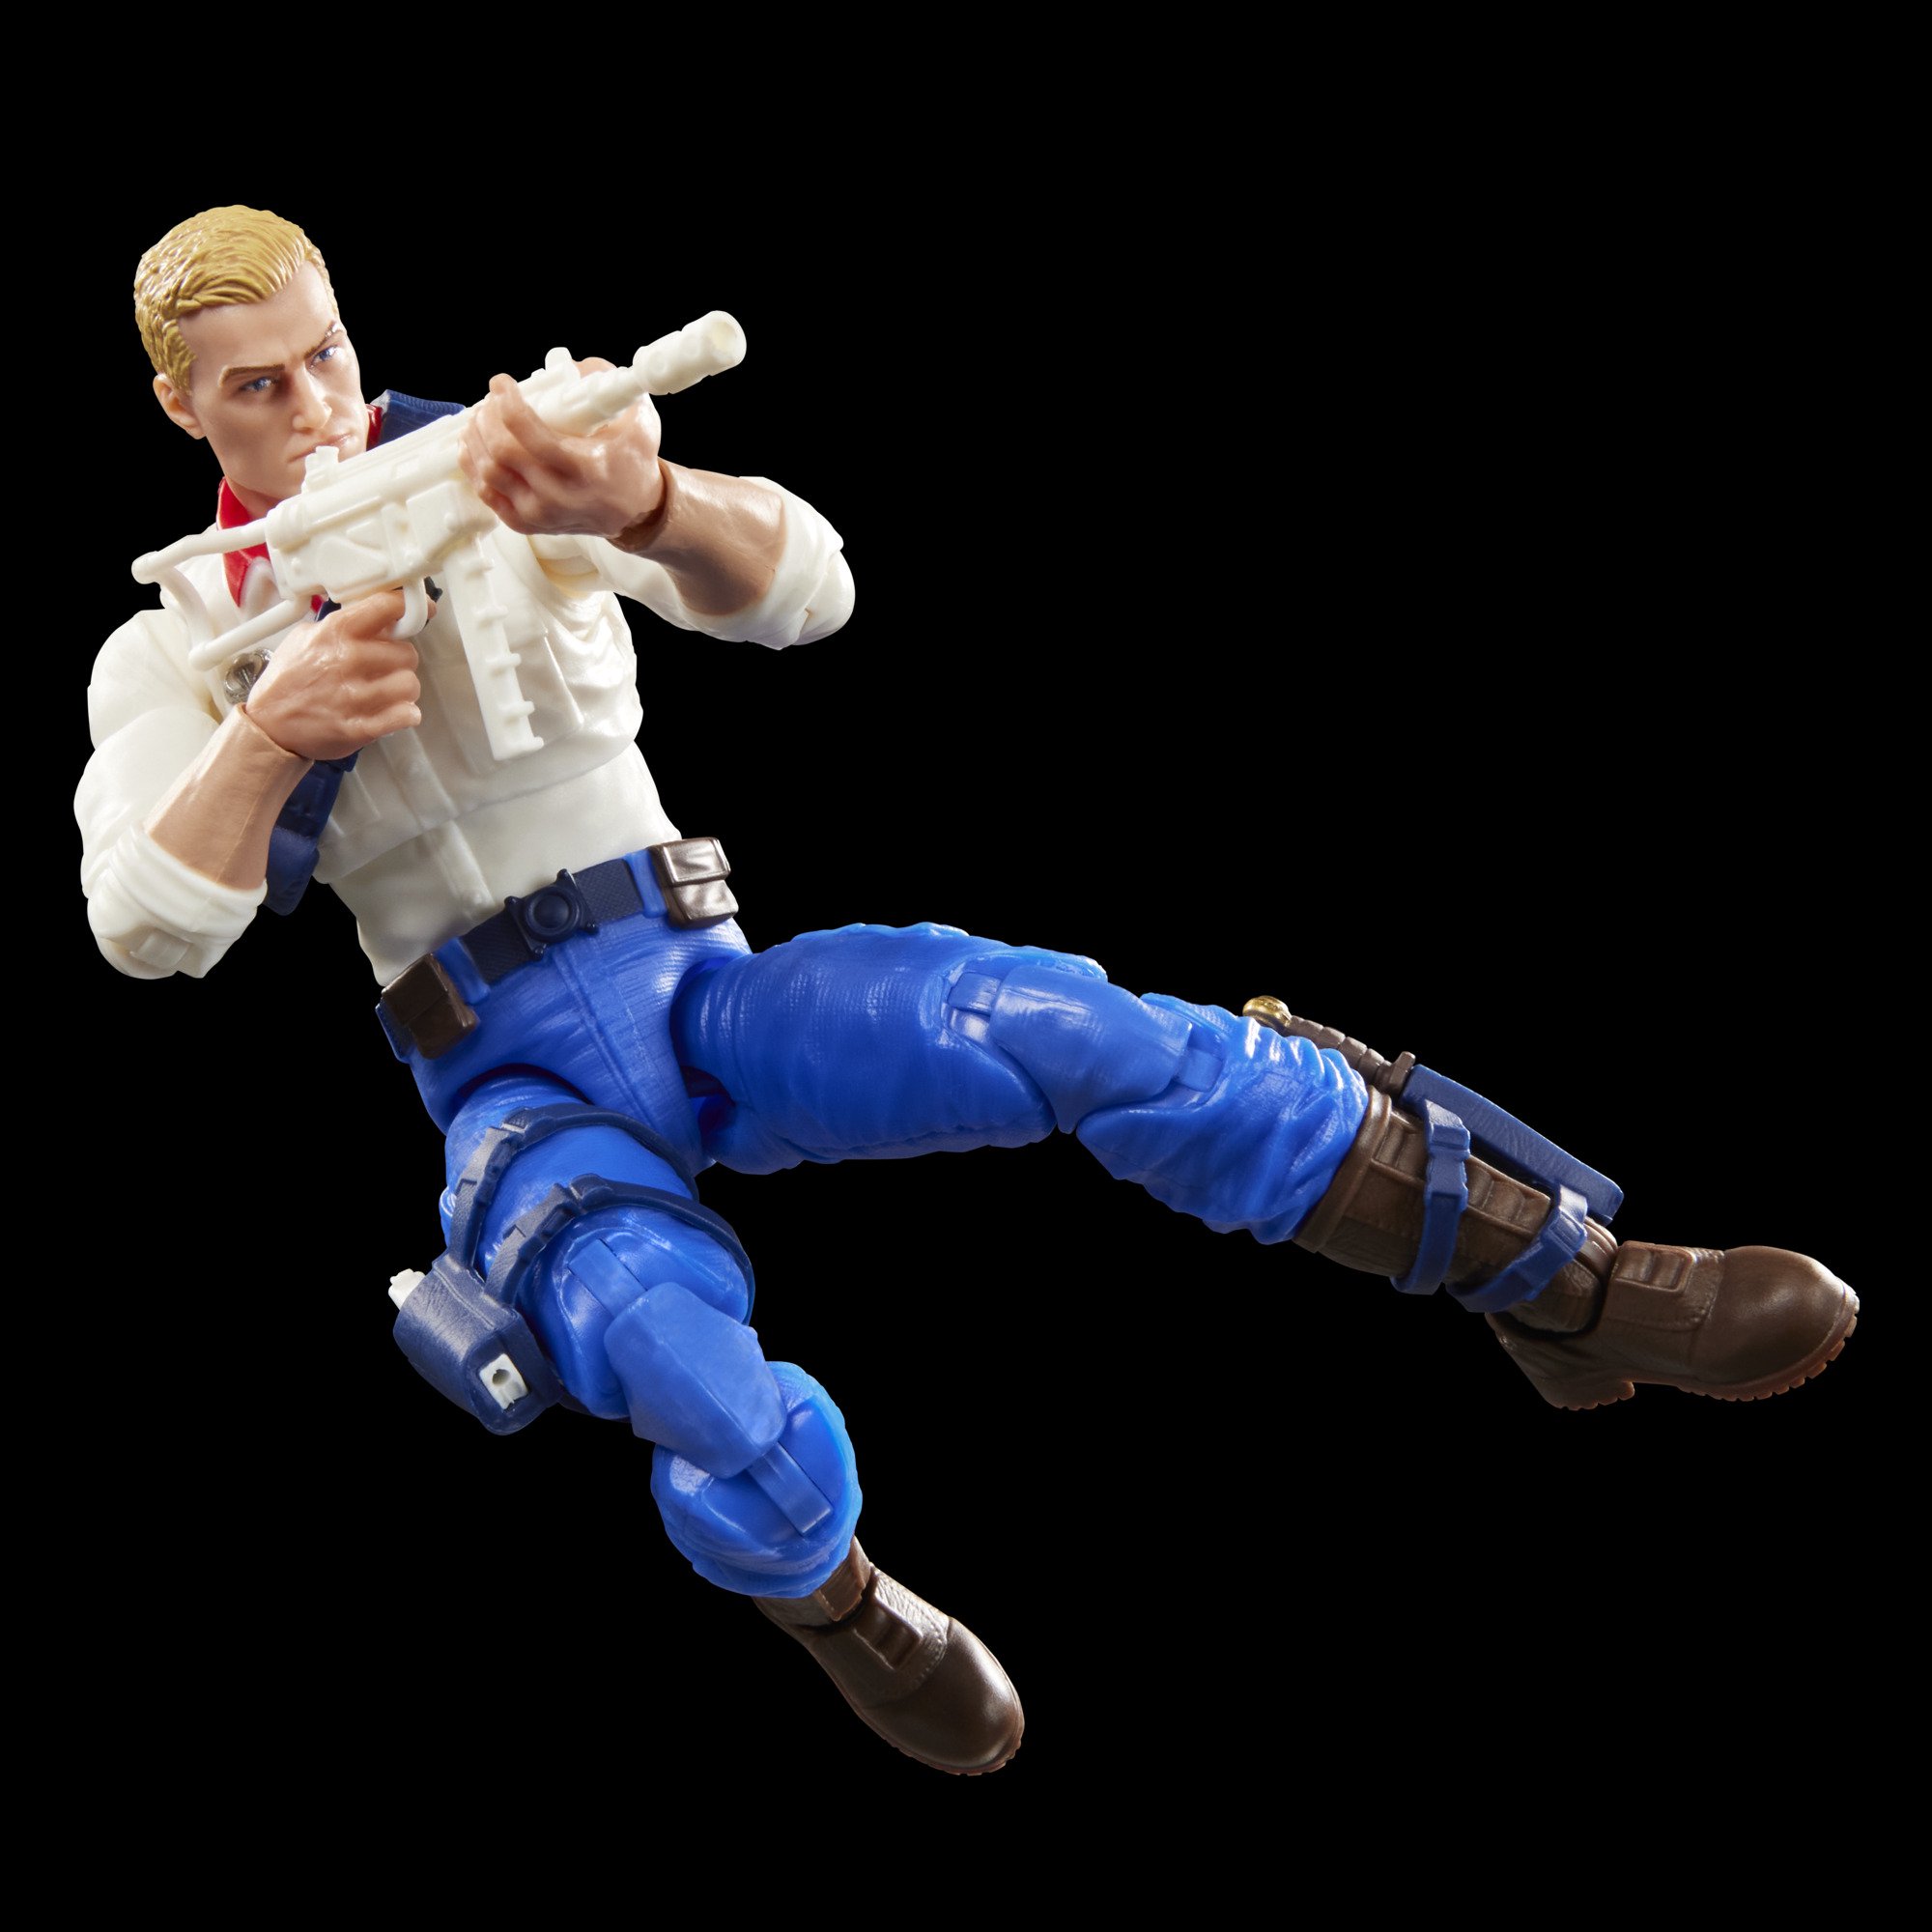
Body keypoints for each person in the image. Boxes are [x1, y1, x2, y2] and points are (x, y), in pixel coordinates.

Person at [77, 205, 1859, 1776]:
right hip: (510, 1088)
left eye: (328, 353)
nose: (315, 405)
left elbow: (808, 587)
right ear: (181, 406)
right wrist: (268, 736)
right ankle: (841, 1602)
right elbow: (147, 927)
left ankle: (1563, 1277)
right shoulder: (177, 645)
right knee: (665, 1353)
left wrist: (648, 499)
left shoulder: (494, 464)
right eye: (258, 386)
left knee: (1061, 1028)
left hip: (699, 989)